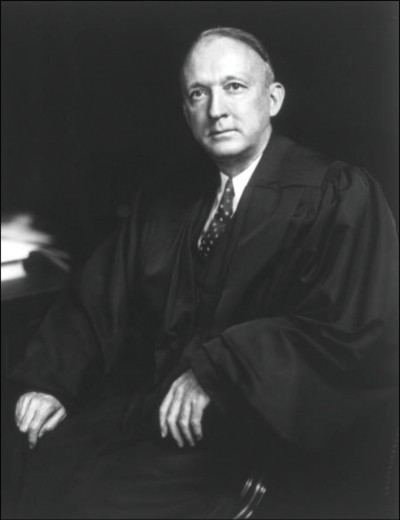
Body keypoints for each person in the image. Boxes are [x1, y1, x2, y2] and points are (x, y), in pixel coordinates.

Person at [6, 27, 399, 519]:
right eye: (199, 93)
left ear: (273, 98)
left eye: (234, 86)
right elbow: (99, 299)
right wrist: (52, 381)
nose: (216, 109)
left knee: (90, 502)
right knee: (26, 452)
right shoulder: (166, 201)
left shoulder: (337, 195)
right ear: (186, 112)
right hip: (151, 415)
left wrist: (218, 370)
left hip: (251, 434)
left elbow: (352, 332)